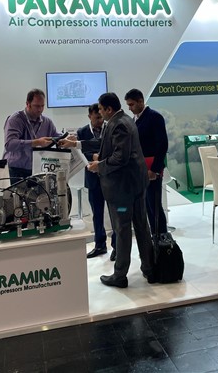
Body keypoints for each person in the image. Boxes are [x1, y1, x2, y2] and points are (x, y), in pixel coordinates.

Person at [61, 93, 155, 288]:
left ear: (109, 109)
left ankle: (120, 275)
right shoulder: (124, 120)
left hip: (123, 191)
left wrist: (99, 166)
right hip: (135, 186)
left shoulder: (118, 124)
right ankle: (149, 268)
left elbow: (120, 157)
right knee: (141, 226)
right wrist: (76, 144)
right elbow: (104, 143)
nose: (100, 113)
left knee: (122, 228)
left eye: (101, 110)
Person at [124, 88, 168, 235]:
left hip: (151, 168)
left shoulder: (154, 117)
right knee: (147, 206)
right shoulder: (134, 120)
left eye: (131, 104)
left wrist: (154, 169)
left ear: (141, 101)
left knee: (154, 206)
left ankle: (161, 238)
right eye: (128, 105)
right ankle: (154, 237)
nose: (130, 108)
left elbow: (162, 145)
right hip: (139, 168)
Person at [77, 104, 116, 260]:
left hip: (110, 178)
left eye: (101, 117)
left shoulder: (110, 128)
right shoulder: (82, 132)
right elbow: (80, 152)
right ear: (89, 117)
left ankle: (117, 246)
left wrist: (101, 158)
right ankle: (100, 245)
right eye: (97, 117)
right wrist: (93, 156)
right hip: (93, 179)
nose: (100, 120)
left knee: (114, 214)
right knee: (97, 214)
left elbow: (114, 150)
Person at [3, 88, 64, 184]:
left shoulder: (47, 122)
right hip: (15, 171)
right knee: (16, 194)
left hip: (37, 170)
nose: (40, 109)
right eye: (36, 106)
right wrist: (36, 142)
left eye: (42, 106)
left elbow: (56, 137)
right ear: (28, 104)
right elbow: (9, 144)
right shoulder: (16, 119)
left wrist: (67, 138)